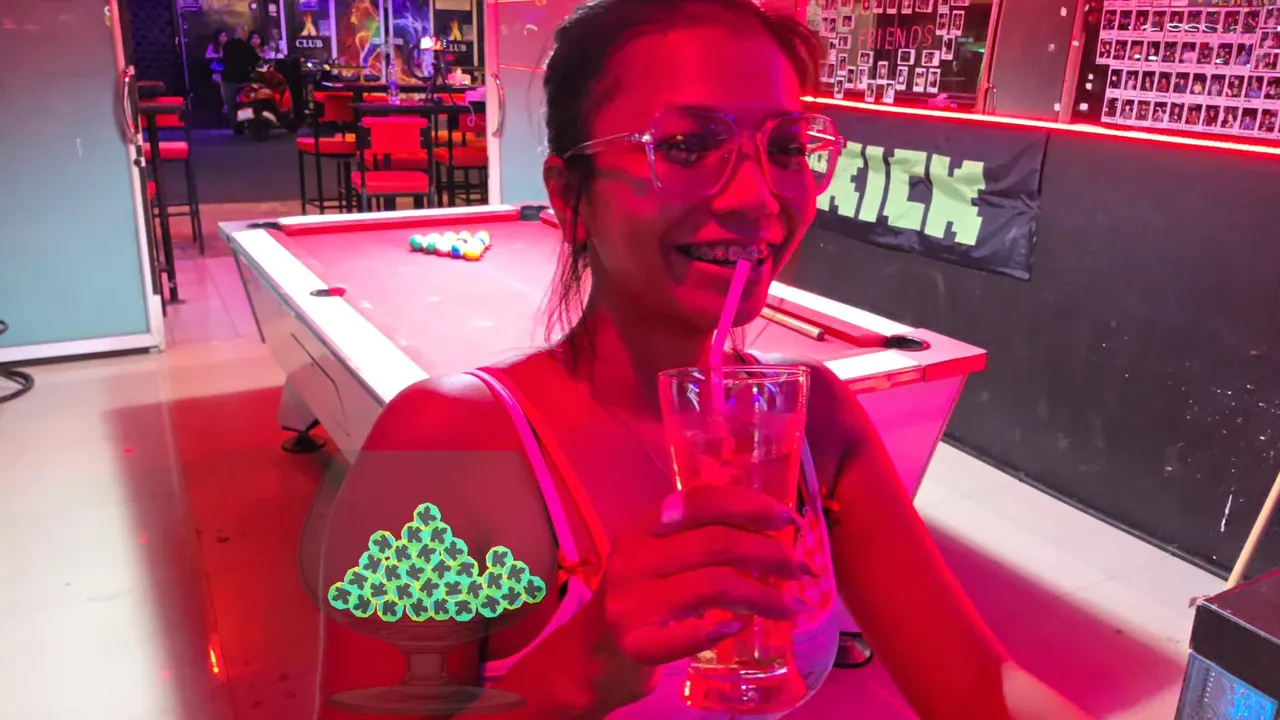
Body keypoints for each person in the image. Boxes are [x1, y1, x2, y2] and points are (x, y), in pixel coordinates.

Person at [318, 1, 1093, 718]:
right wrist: (575, 673)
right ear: (571, 196)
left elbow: (981, 687)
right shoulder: (445, 446)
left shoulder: (813, 421)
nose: (760, 198)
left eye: (786, 147)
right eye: (686, 146)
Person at [219, 26, 259, 123]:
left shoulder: (227, 45)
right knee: (245, 103)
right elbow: (255, 60)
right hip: (244, 79)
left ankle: (235, 125)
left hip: (229, 79)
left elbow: (224, 59)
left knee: (231, 105)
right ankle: (244, 122)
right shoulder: (247, 47)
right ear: (243, 34)